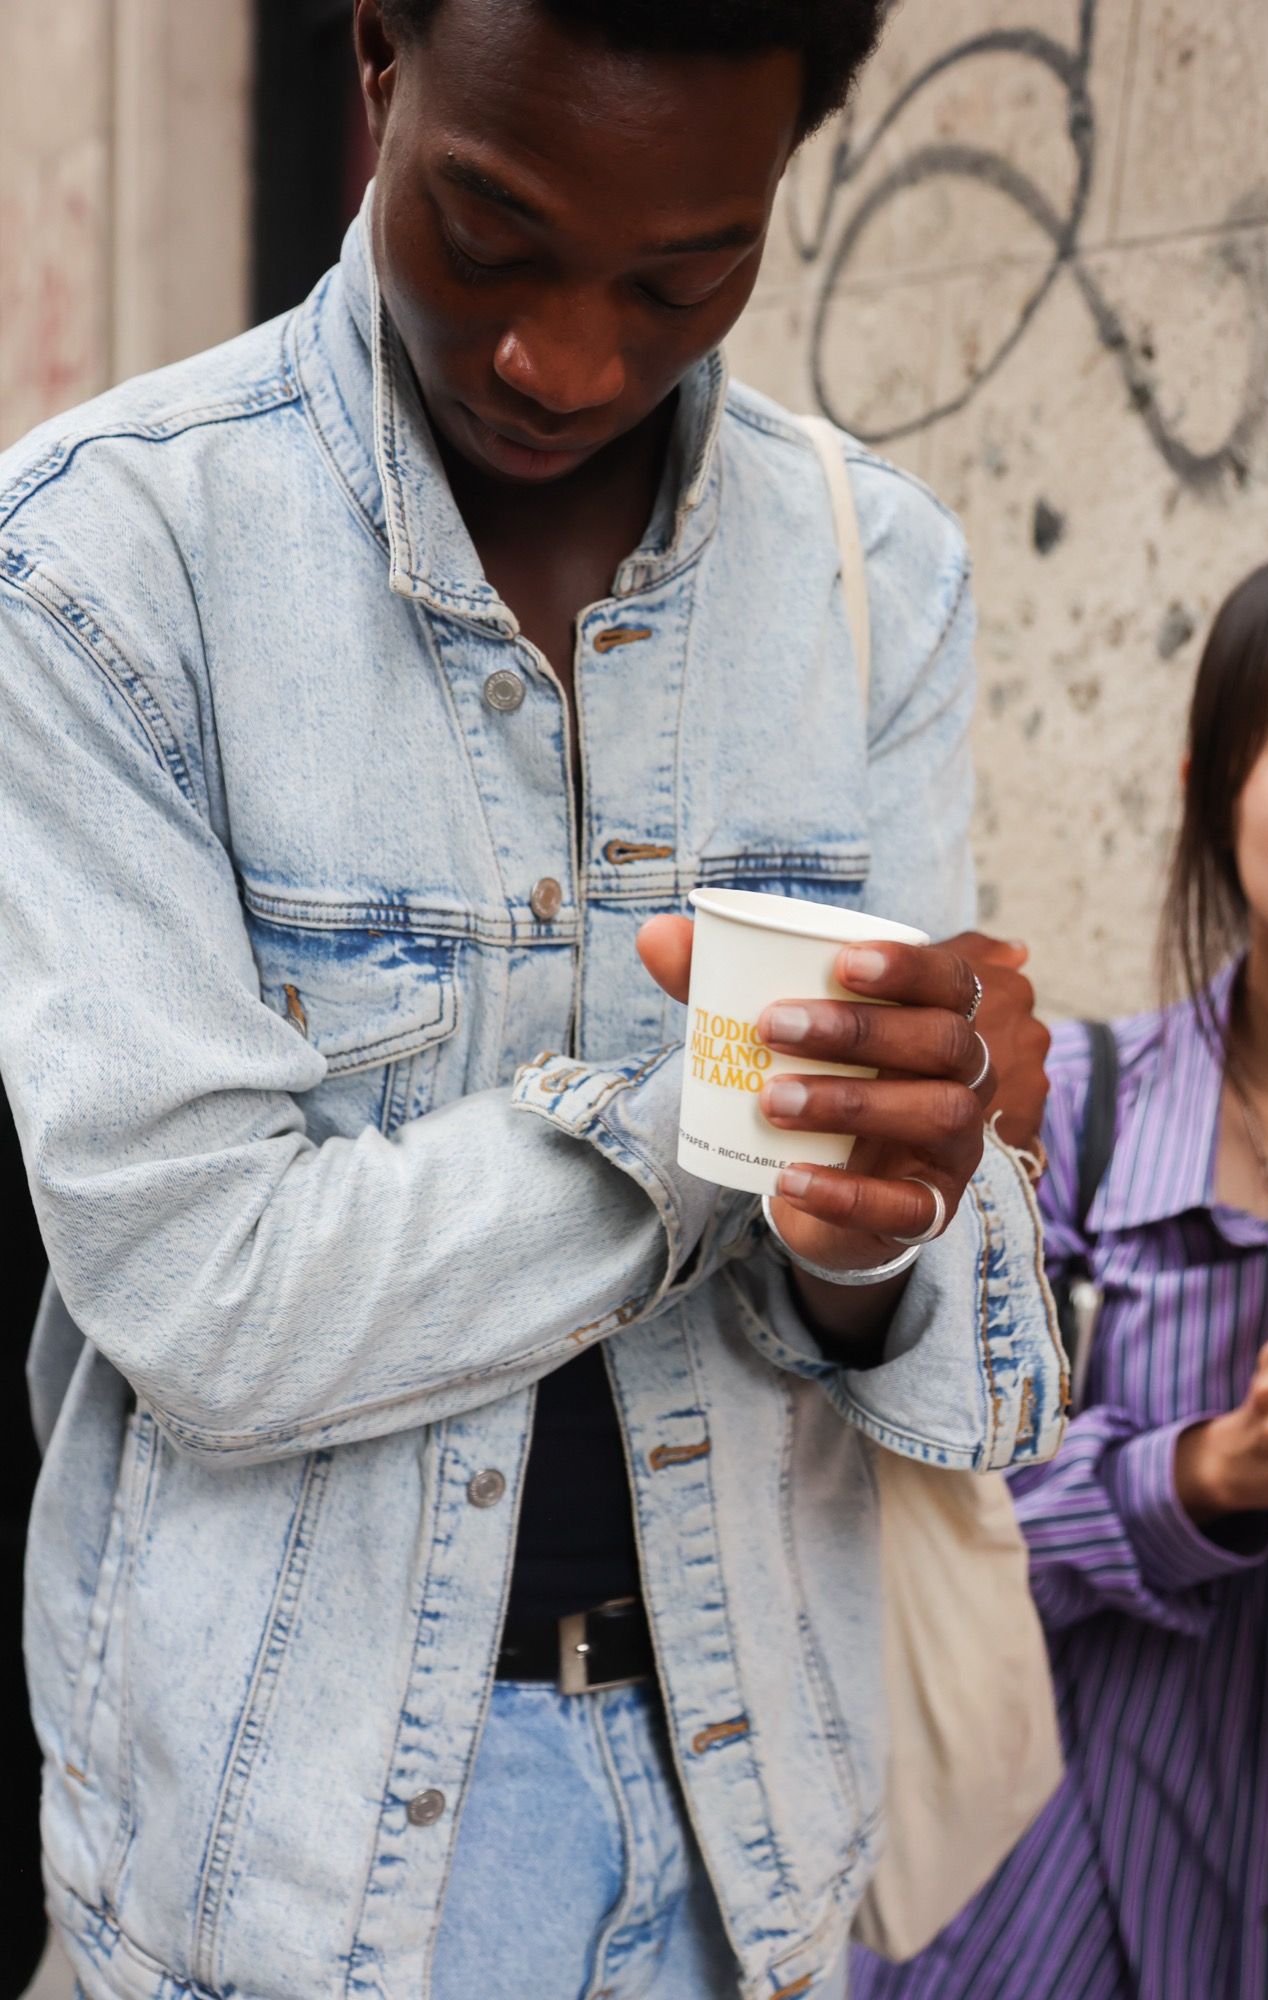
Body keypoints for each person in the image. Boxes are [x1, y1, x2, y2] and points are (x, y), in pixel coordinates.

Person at [0, 4, 1063, 1995]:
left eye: (680, 277)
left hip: (752, 1830)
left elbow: (919, 1352)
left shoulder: (875, 578)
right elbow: (203, 1289)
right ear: (377, 61)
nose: (564, 360)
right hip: (288, 1866)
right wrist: (720, 1110)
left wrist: (885, 1207)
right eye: (490, 239)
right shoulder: (102, 562)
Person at [857, 546, 1268, 2000]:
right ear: (1211, 782)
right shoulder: (1073, 1115)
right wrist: (1205, 1473)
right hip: (1054, 1917)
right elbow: (924, 1502)